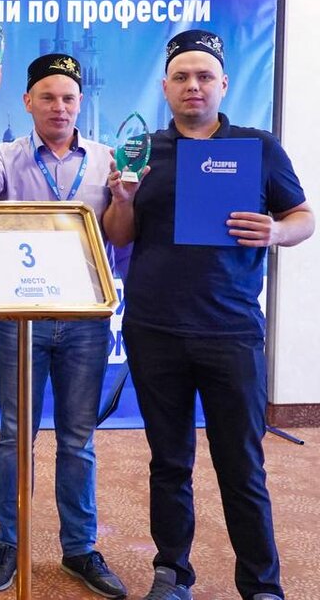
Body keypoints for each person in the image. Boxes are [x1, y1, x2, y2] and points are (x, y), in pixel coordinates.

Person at [103, 30, 313, 600]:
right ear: (164, 87)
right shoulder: (141, 150)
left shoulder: (257, 148)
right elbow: (119, 236)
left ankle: (262, 584)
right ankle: (172, 573)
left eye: (203, 76)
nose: (192, 86)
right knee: (169, 461)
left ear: (223, 84)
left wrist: (276, 231)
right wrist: (122, 200)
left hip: (230, 331)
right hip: (154, 330)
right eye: (181, 76)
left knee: (241, 465)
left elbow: (303, 217)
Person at [0, 52, 127, 598]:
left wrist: (123, 199)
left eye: (68, 98)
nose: (59, 107)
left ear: (80, 102)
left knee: (78, 440)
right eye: (47, 97)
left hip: (84, 323)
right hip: (19, 321)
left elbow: (119, 234)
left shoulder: (106, 159)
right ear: (27, 102)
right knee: (13, 438)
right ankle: (10, 541)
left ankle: (80, 548)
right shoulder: (4, 156)